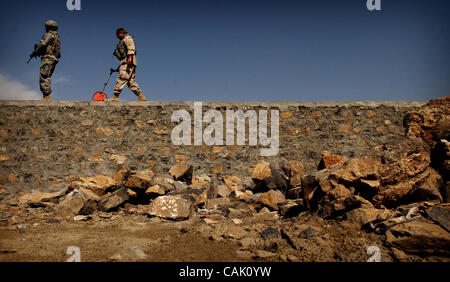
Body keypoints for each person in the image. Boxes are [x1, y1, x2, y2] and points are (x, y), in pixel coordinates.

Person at [108, 28, 147, 101]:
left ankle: (115, 97)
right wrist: (117, 69)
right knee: (130, 81)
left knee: (121, 78)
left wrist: (129, 58)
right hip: (126, 62)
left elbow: (131, 47)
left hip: (128, 61)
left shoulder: (127, 38)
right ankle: (141, 96)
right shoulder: (122, 41)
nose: (117, 37)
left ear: (120, 33)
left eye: (118, 35)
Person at [30, 20, 61, 101]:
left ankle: (46, 96)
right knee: (47, 76)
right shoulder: (56, 37)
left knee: (44, 76)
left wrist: (36, 51)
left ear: (48, 27)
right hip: (53, 58)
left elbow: (43, 44)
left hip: (48, 58)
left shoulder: (49, 35)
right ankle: (47, 96)